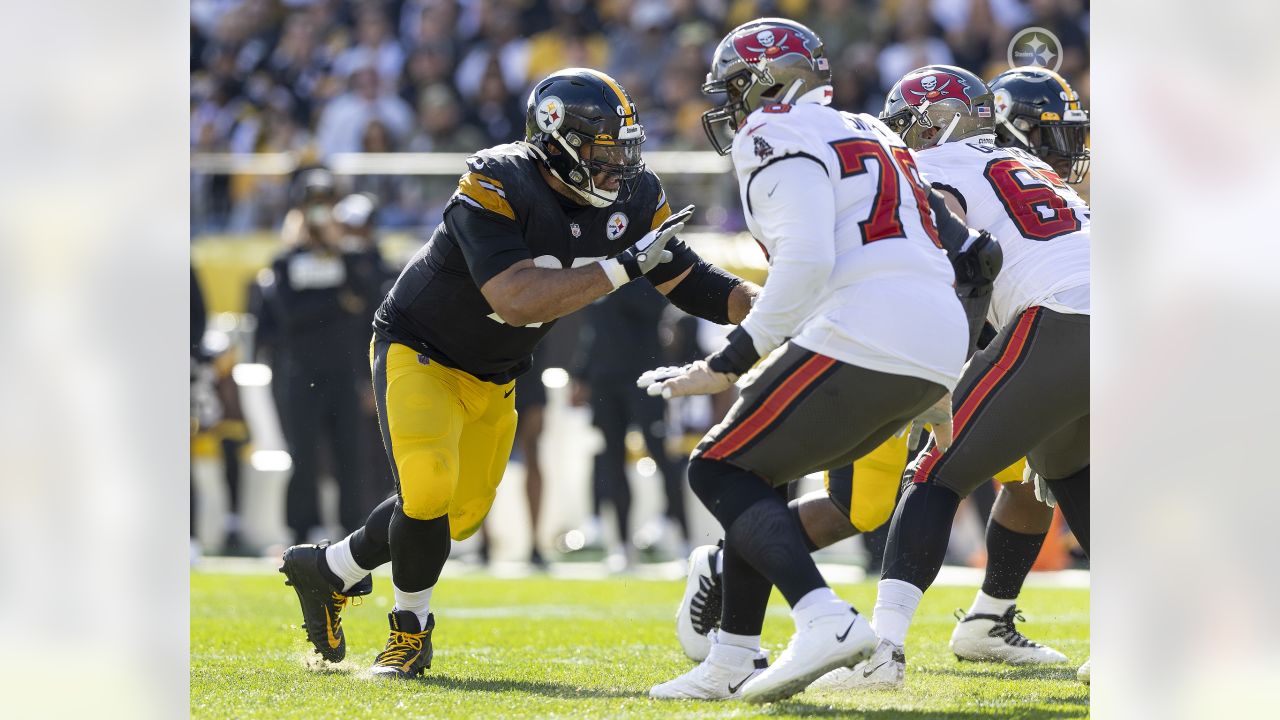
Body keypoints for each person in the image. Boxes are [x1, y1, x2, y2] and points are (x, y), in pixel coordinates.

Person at [278, 68, 759, 676]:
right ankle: (410, 632)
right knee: (426, 488)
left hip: (498, 371)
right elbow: (516, 298)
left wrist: (775, 304)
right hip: (421, 347)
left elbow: (689, 280)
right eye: (602, 148)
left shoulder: (634, 195)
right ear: (557, 140)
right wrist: (622, 267)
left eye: (623, 147)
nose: (618, 164)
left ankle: (328, 571)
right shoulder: (499, 177)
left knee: (452, 515)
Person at [644, 19, 980, 703]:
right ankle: (733, 657)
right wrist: (938, 388)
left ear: (770, 80)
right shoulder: (872, 129)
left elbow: (806, 260)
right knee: (755, 471)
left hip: (870, 320)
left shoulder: (774, 134)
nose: (731, 103)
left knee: (716, 465)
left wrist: (733, 359)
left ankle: (822, 616)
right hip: (937, 330)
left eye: (738, 85)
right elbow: (950, 250)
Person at [826, 63, 1090, 690]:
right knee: (1074, 477)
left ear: (930, 125)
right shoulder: (1029, 167)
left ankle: (882, 652)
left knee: (936, 474)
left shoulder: (934, 168)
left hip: (1063, 315)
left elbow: (953, 244)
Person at [262, 169, 381, 545]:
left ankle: (351, 533)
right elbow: (288, 314)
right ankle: (300, 531)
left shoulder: (353, 258)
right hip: (300, 372)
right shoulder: (285, 261)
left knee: (350, 453)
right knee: (304, 455)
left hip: (345, 371)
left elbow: (366, 301)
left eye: (326, 205)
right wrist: (336, 301)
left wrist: (339, 254)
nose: (320, 213)